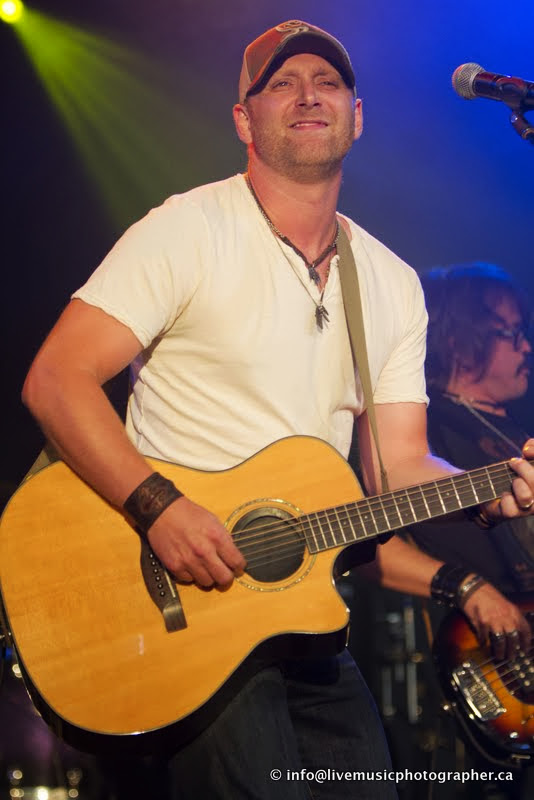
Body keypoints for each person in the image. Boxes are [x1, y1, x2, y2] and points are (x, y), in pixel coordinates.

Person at [21, 20, 534, 800]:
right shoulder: (186, 230)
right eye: (282, 83)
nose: (308, 96)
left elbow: (399, 465)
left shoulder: (390, 283)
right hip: (178, 606)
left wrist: (487, 490)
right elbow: (56, 380)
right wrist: (158, 506)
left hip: (301, 621)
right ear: (244, 119)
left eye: (327, 83)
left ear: (357, 117)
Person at [364, 263, 534, 798]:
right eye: (511, 333)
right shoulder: (419, 430)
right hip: (466, 670)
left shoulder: (515, 430)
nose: (527, 347)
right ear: (460, 338)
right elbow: (364, 545)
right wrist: (467, 587)